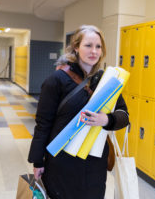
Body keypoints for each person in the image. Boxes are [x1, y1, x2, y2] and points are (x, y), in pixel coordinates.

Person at [28, 25, 129, 199]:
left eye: (98, 47)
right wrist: (38, 161)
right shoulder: (57, 80)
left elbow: (124, 115)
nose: (94, 51)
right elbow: (43, 124)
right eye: (88, 45)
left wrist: (106, 120)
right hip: (62, 161)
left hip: (95, 162)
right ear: (76, 47)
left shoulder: (107, 80)